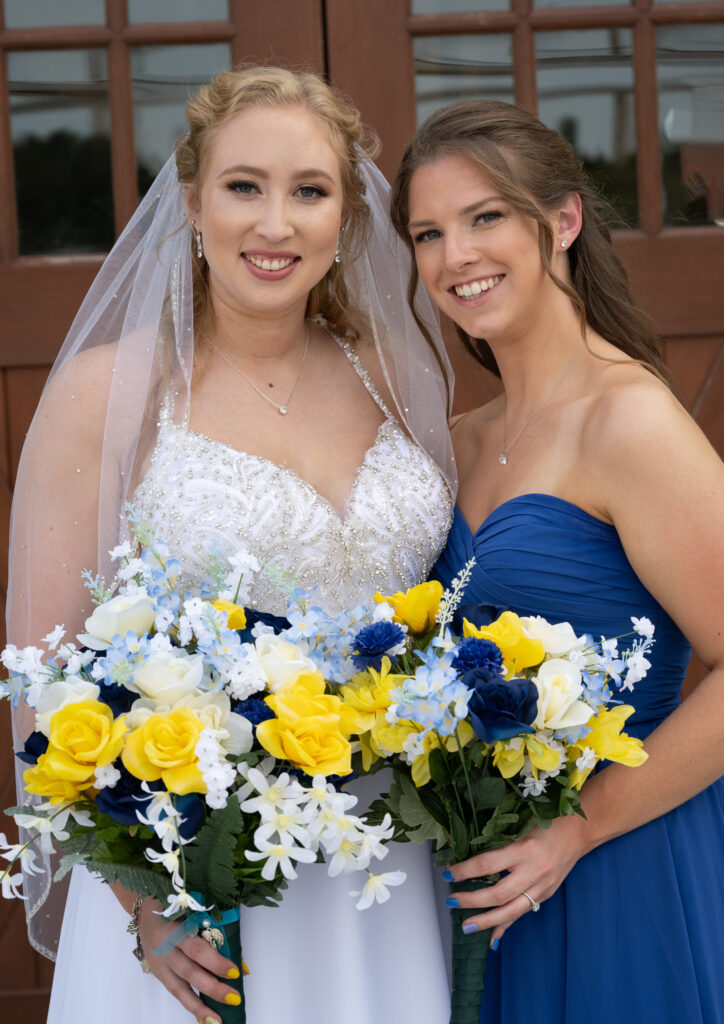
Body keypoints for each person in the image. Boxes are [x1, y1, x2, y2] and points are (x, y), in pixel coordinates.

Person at [8, 67, 457, 1024]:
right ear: (192, 204)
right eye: (244, 187)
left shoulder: (395, 375)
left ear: (346, 218)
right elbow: (42, 680)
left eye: (310, 191)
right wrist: (145, 900)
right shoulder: (109, 392)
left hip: (382, 867)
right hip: (197, 886)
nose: (275, 223)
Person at [390, 99, 724, 1024]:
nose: (456, 255)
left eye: (485, 217)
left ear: (564, 221)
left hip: (622, 862)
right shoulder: (458, 441)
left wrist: (584, 826)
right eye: (429, 232)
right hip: (485, 881)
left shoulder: (631, 420)